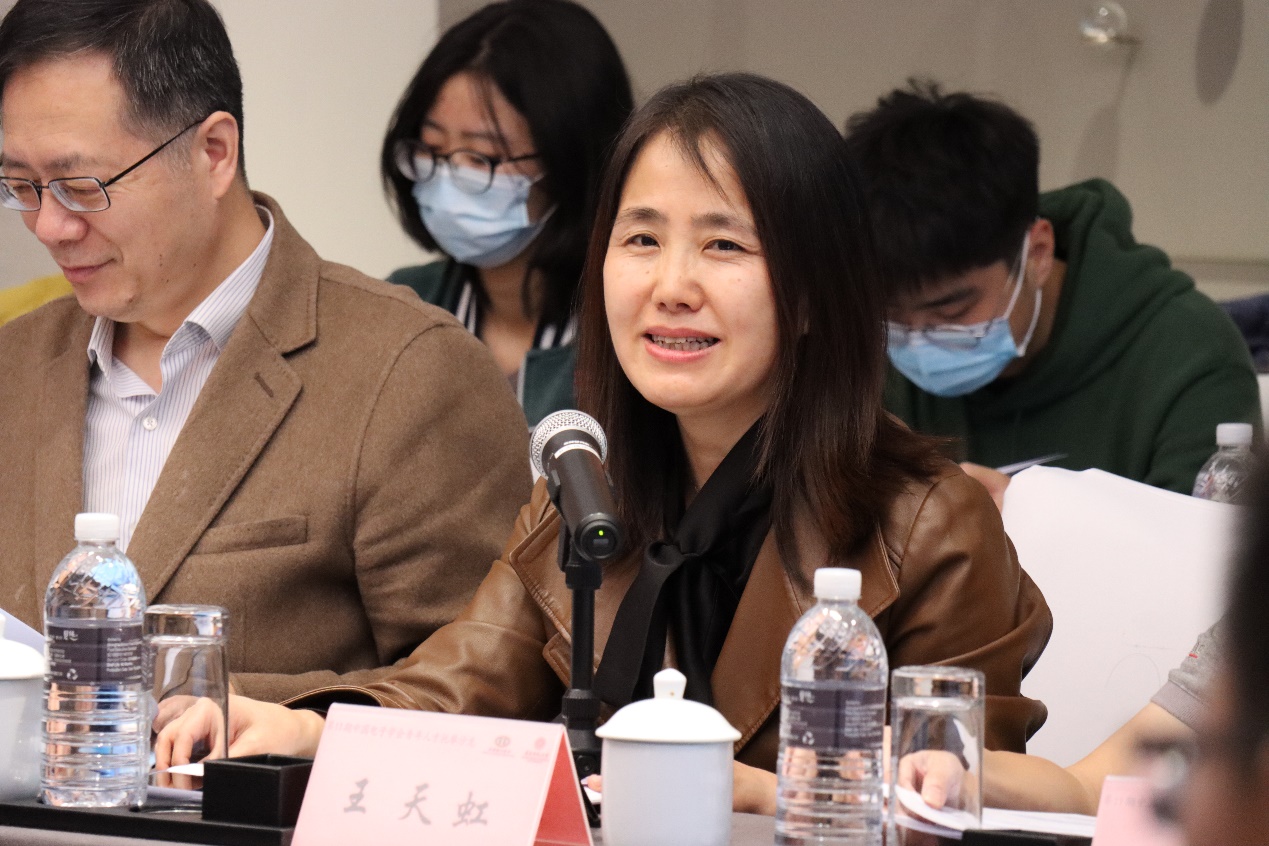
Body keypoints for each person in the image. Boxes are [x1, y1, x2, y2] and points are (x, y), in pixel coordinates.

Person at [155, 73, 1053, 811]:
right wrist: (305, 727)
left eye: (723, 246)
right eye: (642, 239)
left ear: (816, 290)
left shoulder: (931, 527)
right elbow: (460, 687)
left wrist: (756, 794)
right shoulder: (585, 485)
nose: (670, 285)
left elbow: (962, 801)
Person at [0, 0, 531, 703]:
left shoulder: (407, 372)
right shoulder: (13, 368)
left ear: (213, 153)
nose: (50, 226)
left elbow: (492, 690)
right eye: (20, 186)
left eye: (81, 187)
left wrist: (250, 713)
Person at [844, 81, 1260, 506]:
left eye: (951, 308)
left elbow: (1205, 543)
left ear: (1037, 253)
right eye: (892, 315)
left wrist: (1038, 519)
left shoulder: (1189, 355)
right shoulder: (866, 360)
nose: (917, 342)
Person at [381, 0, 633, 426]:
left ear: (572, 162)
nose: (447, 178)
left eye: (481, 158)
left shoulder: (628, 333)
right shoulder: (401, 305)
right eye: (431, 149)